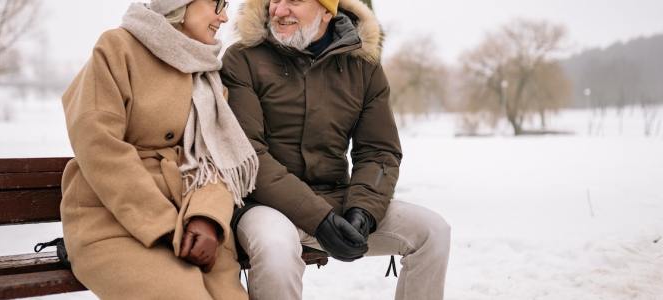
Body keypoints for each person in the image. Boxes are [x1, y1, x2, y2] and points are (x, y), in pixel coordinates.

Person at [220, 0, 451, 299]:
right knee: (276, 249)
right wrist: (319, 217)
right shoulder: (242, 59)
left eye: (293, 1)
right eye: (273, 0)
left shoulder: (363, 67)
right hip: (263, 205)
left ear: (327, 11)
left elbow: (379, 151)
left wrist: (364, 211)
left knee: (433, 232)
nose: (278, 11)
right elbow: (249, 155)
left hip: (336, 199)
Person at [59, 0, 257, 299]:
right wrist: (163, 224)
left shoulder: (206, 73)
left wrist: (206, 218)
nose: (224, 17)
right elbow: (98, 146)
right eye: (216, 4)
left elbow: (216, 159)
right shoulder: (118, 48)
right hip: (111, 221)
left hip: (190, 223)